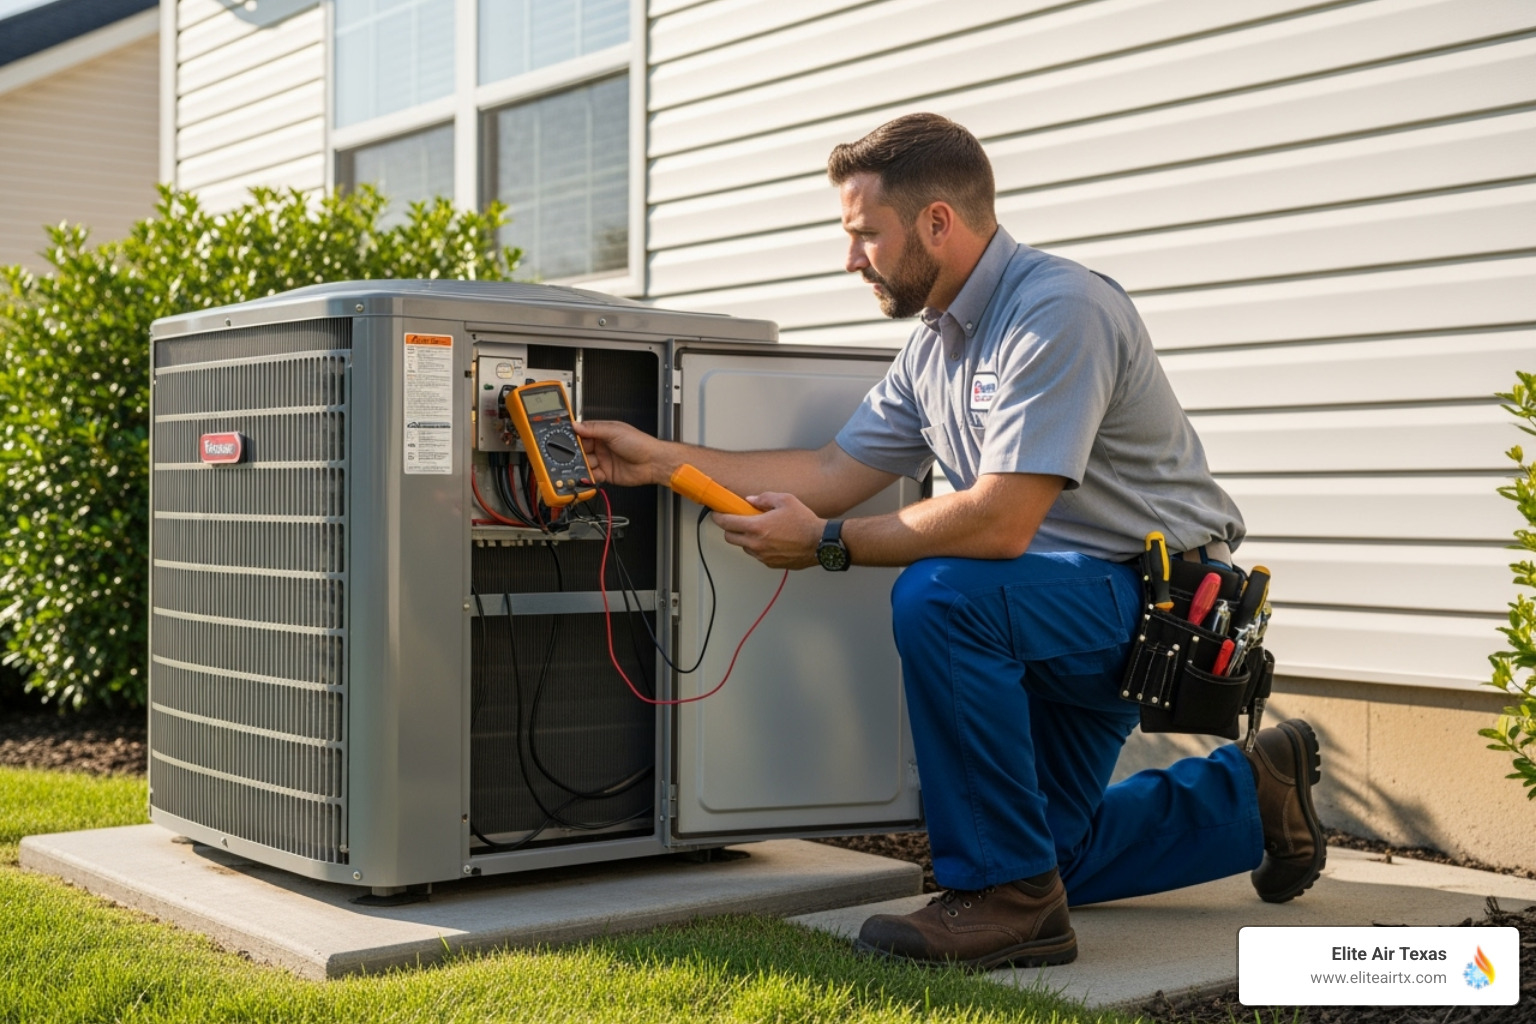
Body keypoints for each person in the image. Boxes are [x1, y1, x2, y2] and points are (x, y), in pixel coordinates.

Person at [575, 113, 1326, 969]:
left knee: (940, 596)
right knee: (1052, 851)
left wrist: (828, 545)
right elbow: (830, 467)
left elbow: (1001, 520)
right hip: (1048, 606)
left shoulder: (1059, 309)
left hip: (1148, 607)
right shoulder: (934, 347)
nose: (850, 258)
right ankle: (1251, 791)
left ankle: (1007, 902)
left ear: (938, 222)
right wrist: (662, 461)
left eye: (866, 235)